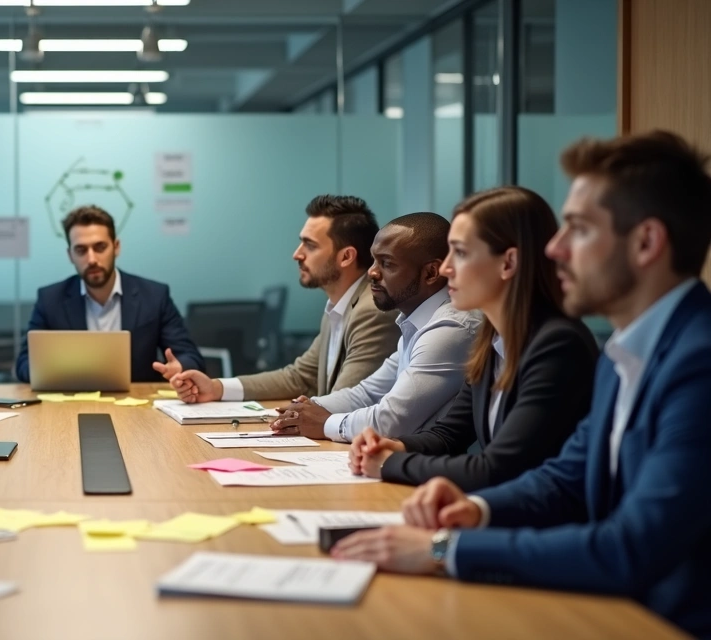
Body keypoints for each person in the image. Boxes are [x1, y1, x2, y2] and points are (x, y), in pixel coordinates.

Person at [330, 131, 711, 637]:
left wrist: (446, 547)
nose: (554, 249)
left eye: (577, 229)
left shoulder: (698, 363)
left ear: (645, 243)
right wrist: (475, 509)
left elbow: (631, 546)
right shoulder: (630, 352)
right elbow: (565, 476)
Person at [348, 186, 598, 490]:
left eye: (461, 253)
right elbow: (448, 435)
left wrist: (391, 463)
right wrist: (391, 446)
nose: (446, 268)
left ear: (508, 263)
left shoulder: (558, 344)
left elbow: (498, 468)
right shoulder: (491, 338)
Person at [263, 212, 481, 442]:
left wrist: (323, 423)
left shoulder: (450, 328)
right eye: (374, 260)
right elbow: (367, 393)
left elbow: (391, 420)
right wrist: (304, 410)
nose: (372, 272)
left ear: (431, 273)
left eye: (386, 264)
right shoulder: (416, 323)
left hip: (435, 472)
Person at [169, 195, 398, 403]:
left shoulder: (372, 310)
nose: (297, 254)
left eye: (310, 245)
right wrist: (216, 388)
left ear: (346, 256)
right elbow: (299, 377)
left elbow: (345, 403)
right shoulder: (338, 307)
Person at [14, 205, 204, 383]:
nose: (92, 259)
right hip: (71, 403)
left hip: (139, 405)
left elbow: (191, 356)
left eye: (100, 247)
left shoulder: (154, 296)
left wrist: (180, 367)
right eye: (81, 250)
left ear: (116, 247)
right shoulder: (50, 299)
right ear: (70, 255)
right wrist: (46, 371)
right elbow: (23, 364)